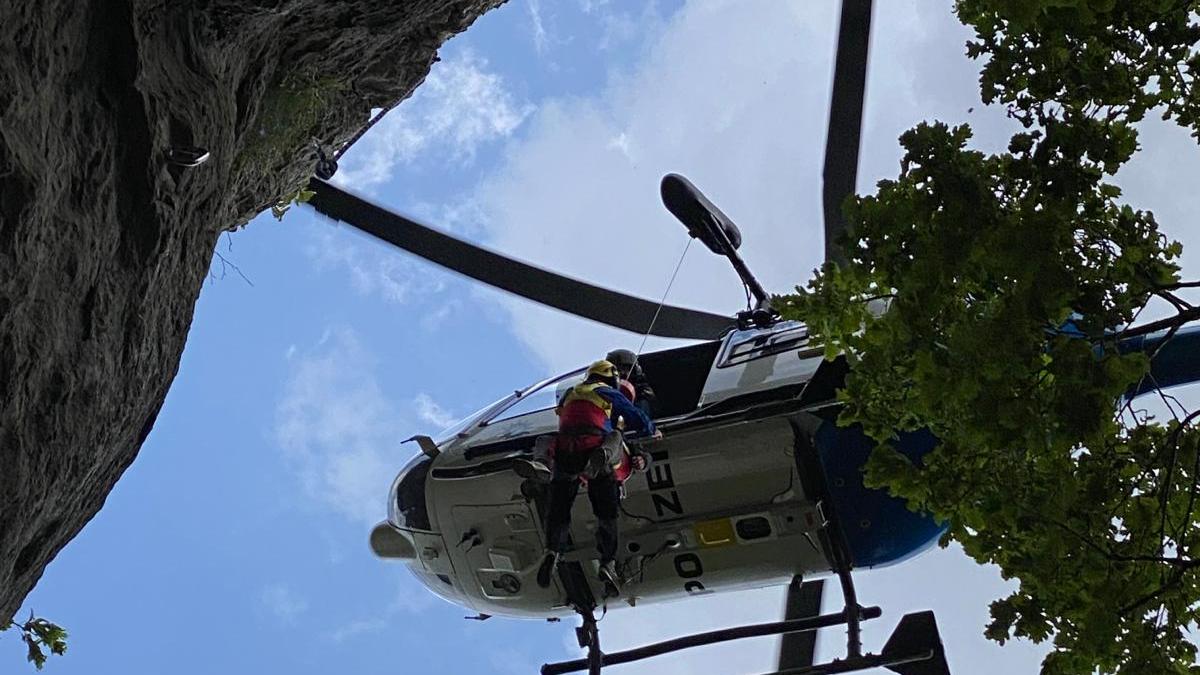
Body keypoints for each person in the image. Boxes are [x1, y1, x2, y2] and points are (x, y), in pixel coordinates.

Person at [527, 359, 661, 591]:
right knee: (606, 516)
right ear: (610, 378)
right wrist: (651, 430)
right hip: (597, 456)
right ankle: (607, 562)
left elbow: (565, 415)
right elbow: (633, 416)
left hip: (565, 454)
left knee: (558, 509)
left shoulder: (571, 393)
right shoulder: (606, 392)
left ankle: (552, 550)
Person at [605, 349, 656, 417]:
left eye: (626, 369)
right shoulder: (603, 389)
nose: (623, 373)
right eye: (619, 369)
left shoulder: (642, 391)